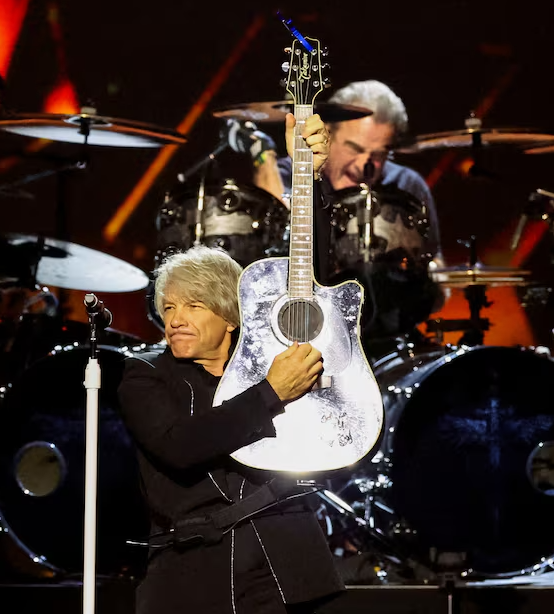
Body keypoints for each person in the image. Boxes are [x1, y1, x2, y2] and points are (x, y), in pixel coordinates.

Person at [117, 243, 345, 614]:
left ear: (230, 317)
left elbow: (340, 432)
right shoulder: (145, 374)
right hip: (196, 568)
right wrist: (270, 394)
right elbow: (179, 445)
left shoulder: (275, 365)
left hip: (285, 560)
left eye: (194, 305)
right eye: (170, 307)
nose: (175, 319)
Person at [244, 79, 446, 344]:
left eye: (379, 154)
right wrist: (266, 162)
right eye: (355, 149)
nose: (365, 164)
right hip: (302, 331)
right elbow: (275, 248)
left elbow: (437, 272)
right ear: (326, 133)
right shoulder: (287, 172)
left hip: (388, 337)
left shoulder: (406, 186)